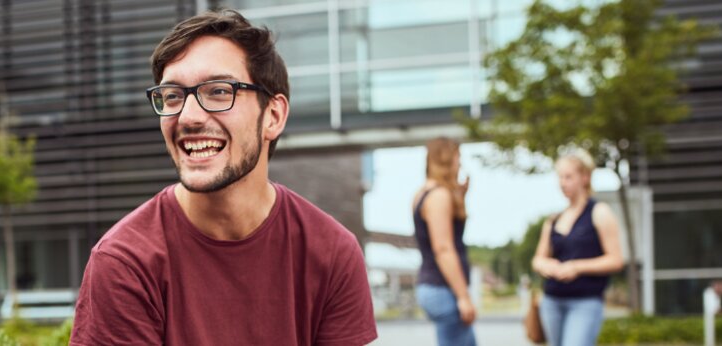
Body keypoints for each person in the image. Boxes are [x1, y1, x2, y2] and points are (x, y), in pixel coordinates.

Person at [69, 9, 377, 346]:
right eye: (172, 96)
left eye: (218, 91)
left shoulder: (331, 253)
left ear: (273, 116)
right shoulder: (125, 262)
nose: (188, 117)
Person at [531, 150, 624, 346]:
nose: (562, 183)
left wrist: (576, 267)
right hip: (552, 301)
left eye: (568, 177)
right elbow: (538, 259)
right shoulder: (554, 219)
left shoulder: (600, 213)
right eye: (560, 177)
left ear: (585, 177)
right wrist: (546, 265)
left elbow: (616, 259)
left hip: (585, 302)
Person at [412, 137, 477, 346]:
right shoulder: (439, 196)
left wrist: (460, 196)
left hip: (433, 285)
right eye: (458, 157)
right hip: (443, 288)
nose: (460, 164)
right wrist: (463, 297)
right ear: (447, 159)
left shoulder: (423, 193)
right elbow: (443, 249)